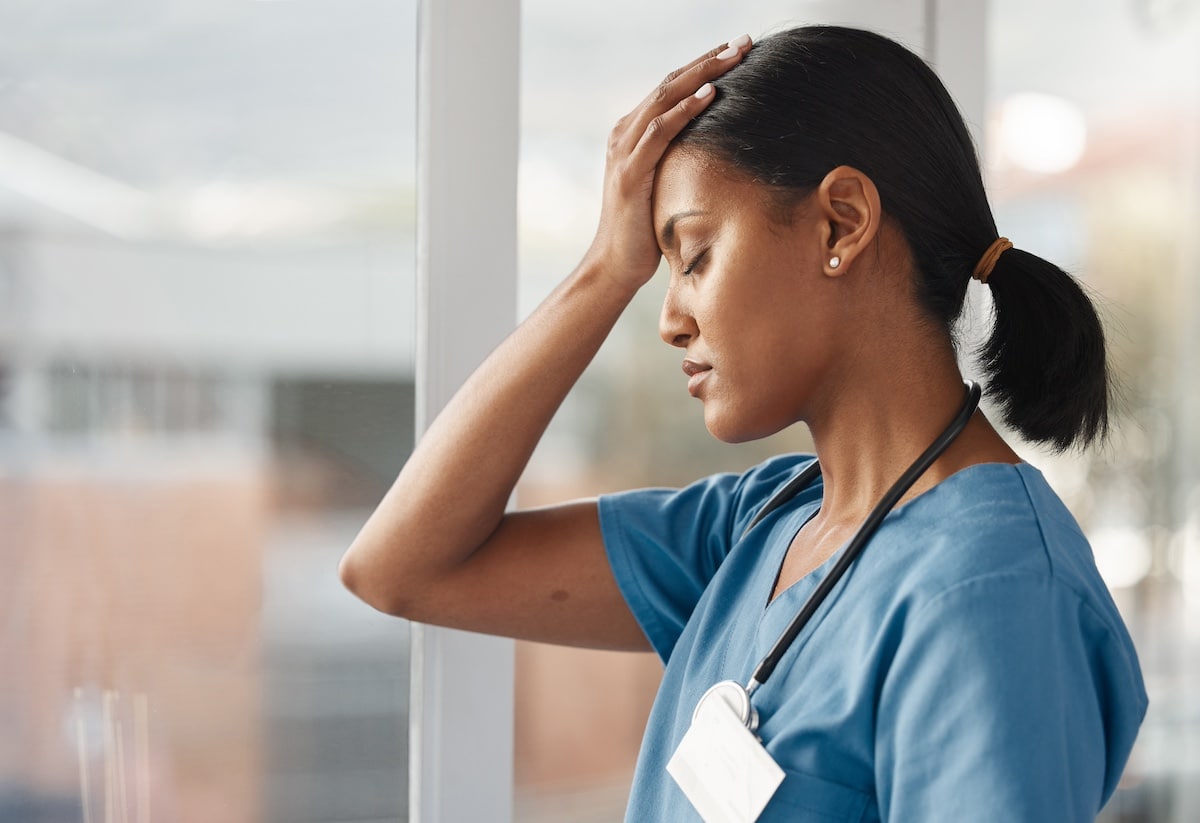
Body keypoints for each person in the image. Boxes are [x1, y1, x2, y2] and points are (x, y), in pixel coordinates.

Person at [339, 25, 1147, 821]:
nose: (670, 320)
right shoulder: (760, 526)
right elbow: (403, 566)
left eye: (691, 255)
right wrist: (602, 270)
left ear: (840, 223)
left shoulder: (990, 595)